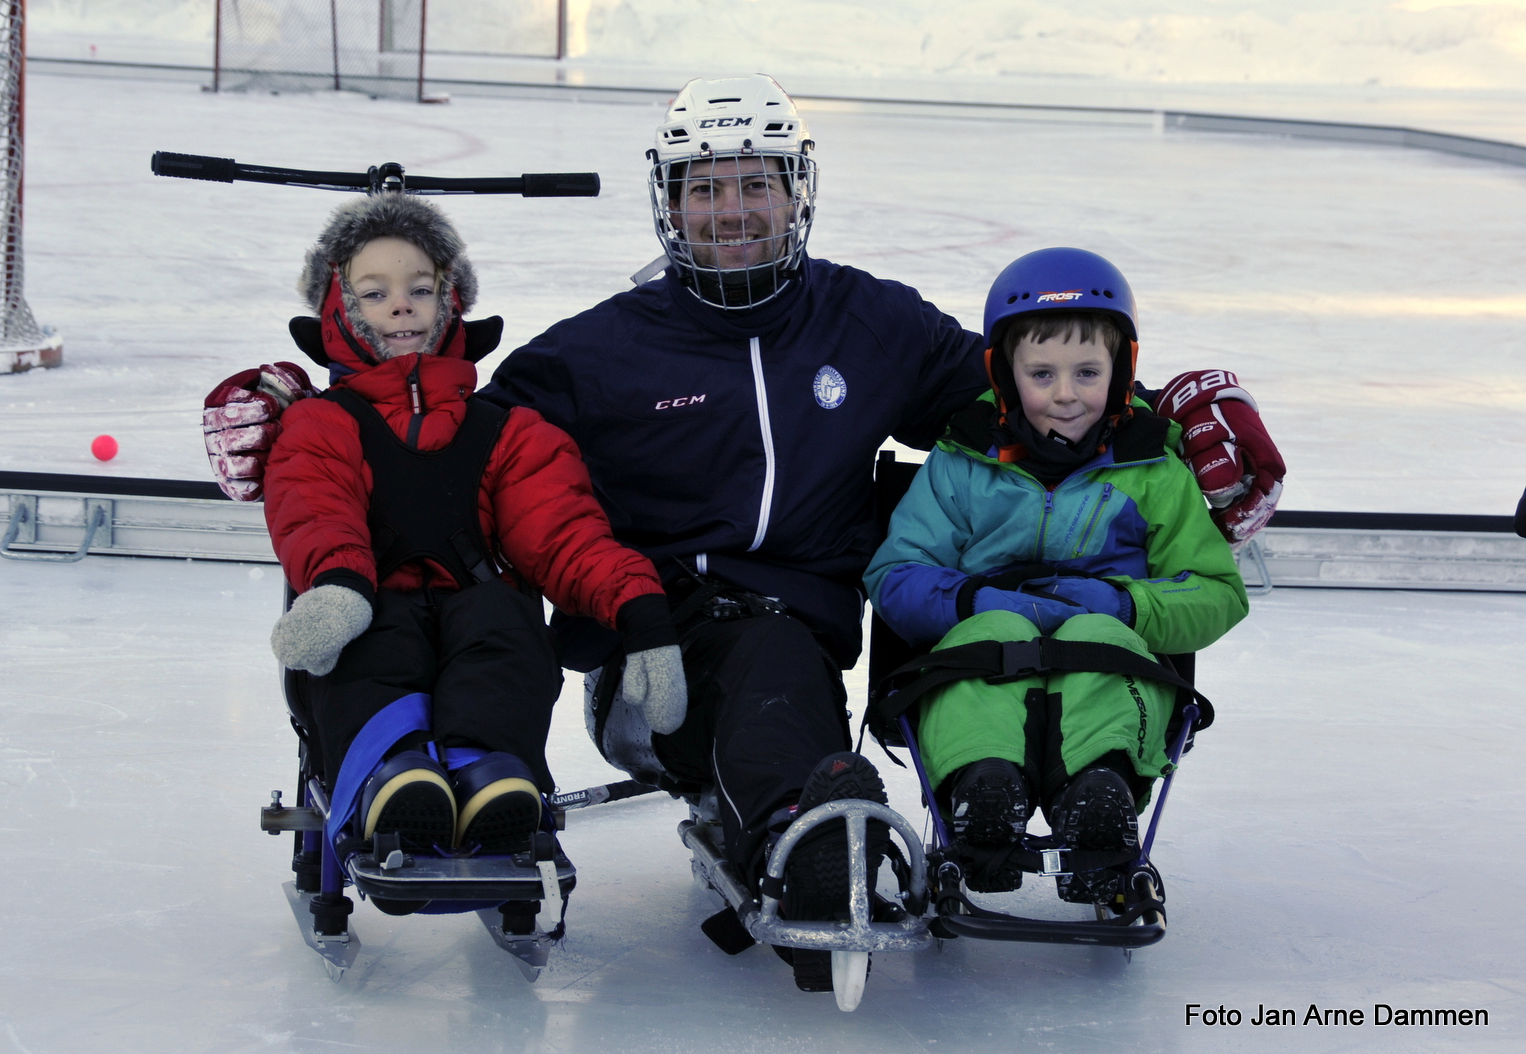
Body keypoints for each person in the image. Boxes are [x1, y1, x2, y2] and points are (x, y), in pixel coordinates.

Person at [200, 74, 1286, 991]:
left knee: (775, 656)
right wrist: (309, 402)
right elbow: (448, 433)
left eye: (754, 185)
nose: (731, 209)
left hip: (801, 630)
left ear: (794, 194)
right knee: (751, 659)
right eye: (705, 187)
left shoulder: (868, 322)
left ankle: (809, 818)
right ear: (669, 204)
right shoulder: (598, 353)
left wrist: (1177, 421)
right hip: (654, 641)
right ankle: (806, 830)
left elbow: (1038, 399)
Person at [261, 194, 687, 872]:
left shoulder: (508, 431)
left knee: (506, 625)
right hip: (371, 600)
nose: (401, 305)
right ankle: (391, 773)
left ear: (450, 301)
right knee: (375, 635)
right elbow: (315, 505)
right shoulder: (323, 424)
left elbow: (564, 532)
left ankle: (489, 772)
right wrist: (339, 583)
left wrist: (639, 610)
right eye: (375, 293)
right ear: (340, 311)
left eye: (420, 289)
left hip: (476, 607)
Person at [864, 247, 1249, 903]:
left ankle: (1097, 794)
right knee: (989, 639)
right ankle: (983, 789)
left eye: (1087, 372)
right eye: (1042, 373)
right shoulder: (962, 460)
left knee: (1101, 642)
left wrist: (1127, 606)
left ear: (1121, 371)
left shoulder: (1152, 468)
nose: (1065, 394)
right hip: (980, 644)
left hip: (1109, 651)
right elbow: (895, 571)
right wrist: (970, 598)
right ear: (1005, 374)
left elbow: (1215, 591)